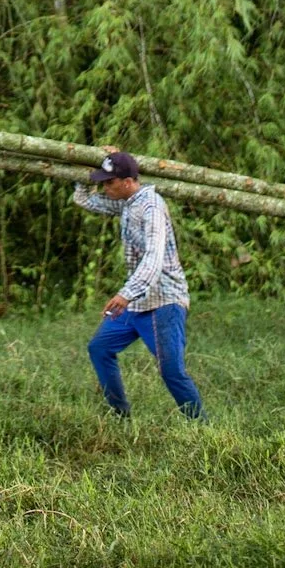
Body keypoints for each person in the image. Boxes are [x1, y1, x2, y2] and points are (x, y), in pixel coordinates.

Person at [74, 149, 204, 421]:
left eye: (109, 182)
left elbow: (154, 257)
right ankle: (120, 415)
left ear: (127, 181)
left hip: (164, 300)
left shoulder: (151, 207)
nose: (105, 188)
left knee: (172, 371)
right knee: (99, 348)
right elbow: (83, 198)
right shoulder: (127, 203)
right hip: (138, 301)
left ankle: (203, 428)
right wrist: (85, 167)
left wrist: (126, 293)